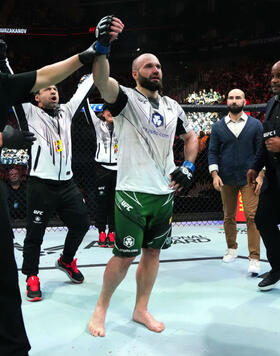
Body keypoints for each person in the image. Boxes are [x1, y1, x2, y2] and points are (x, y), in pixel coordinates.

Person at [0, 16, 123, 356]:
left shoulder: (68, 111)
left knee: (83, 224)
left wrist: (97, 57)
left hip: (67, 184)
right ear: (35, 98)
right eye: (46, 89)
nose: (53, 90)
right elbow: (13, 84)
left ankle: (67, 260)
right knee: (34, 236)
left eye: (54, 88)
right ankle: (31, 277)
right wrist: (11, 69)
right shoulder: (28, 110)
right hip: (40, 184)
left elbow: (83, 85)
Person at [88, 17, 198, 337]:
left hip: (164, 193)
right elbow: (102, 79)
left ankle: (141, 309)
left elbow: (191, 137)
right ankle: (100, 309)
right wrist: (103, 47)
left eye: (158, 66)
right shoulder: (123, 99)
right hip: (132, 192)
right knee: (123, 257)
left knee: (153, 254)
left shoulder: (173, 106)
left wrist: (188, 166)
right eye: (148, 66)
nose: (155, 70)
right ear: (135, 73)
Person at [208, 88, 264, 274]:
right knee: (228, 216)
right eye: (231, 97)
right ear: (227, 101)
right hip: (226, 178)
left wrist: (261, 175)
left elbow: (261, 151)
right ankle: (231, 248)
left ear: (244, 101)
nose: (234, 100)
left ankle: (254, 257)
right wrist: (215, 175)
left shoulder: (256, 125)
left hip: (250, 179)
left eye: (237, 97)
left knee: (252, 216)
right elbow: (212, 152)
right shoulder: (217, 127)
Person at [247, 60, 280, 290]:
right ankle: (277, 267)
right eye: (272, 76)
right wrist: (255, 166)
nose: (274, 81)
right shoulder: (271, 103)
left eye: (279, 76)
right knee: (263, 219)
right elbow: (265, 141)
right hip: (274, 178)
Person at [88, 102, 118, 247]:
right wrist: (84, 86)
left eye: (113, 110)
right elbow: (86, 108)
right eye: (107, 110)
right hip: (102, 169)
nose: (110, 112)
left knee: (114, 203)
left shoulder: (123, 125)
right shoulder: (98, 124)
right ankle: (101, 231)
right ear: (103, 112)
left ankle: (112, 232)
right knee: (101, 203)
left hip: (119, 169)